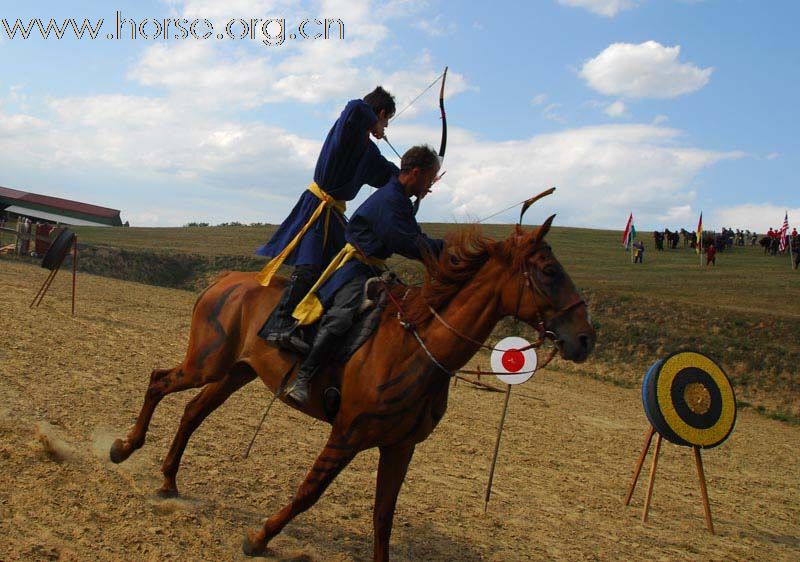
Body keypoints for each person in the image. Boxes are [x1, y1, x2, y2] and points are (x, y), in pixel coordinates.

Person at [285, 145, 444, 406]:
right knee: (342, 316)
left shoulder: (399, 199)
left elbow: (414, 237)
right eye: (429, 179)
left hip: (373, 268)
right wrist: (445, 249)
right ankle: (304, 378)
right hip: (354, 269)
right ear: (415, 173)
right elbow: (405, 240)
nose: (429, 186)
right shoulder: (390, 199)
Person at [255, 87, 400, 353]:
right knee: (309, 267)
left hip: (333, 214)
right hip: (317, 206)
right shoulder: (349, 131)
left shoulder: (368, 152)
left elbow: (390, 176)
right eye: (386, 119)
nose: (386, 126)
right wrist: (373, 123)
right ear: (379, 114)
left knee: (350, 267)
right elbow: (356, 106)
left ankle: (316, 326)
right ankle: (279, 323)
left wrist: (414, 179)